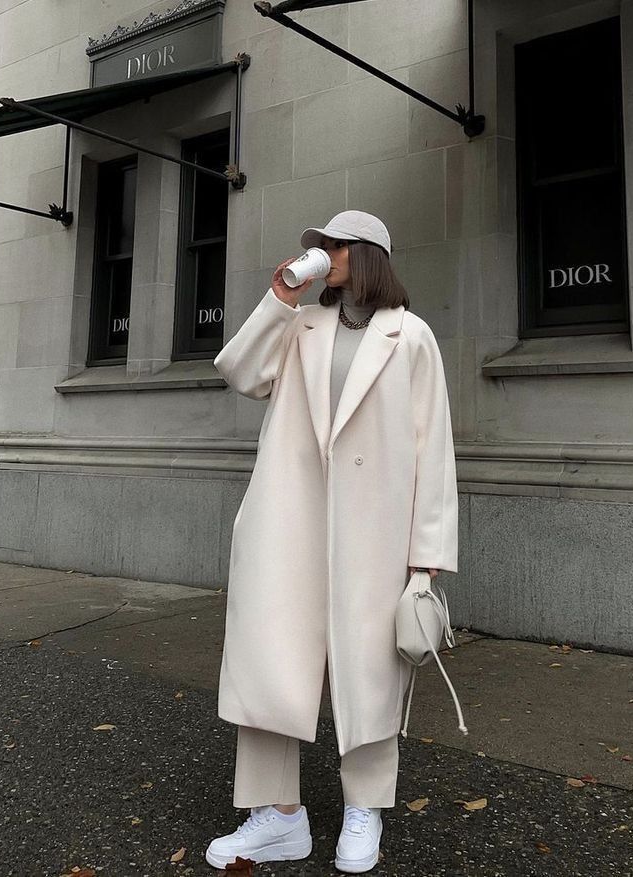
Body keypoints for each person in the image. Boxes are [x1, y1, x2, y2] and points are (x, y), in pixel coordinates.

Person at [205, 210, 458, 873]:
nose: (322, 252)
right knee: (268, 662)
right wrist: (277, 301)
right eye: (319, 244)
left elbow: (434, 452)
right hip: (286, 523)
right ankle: (276, 816)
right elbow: (238, 371)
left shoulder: (412, 337)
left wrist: (425, 560)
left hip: (373, 533)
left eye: (334, 244)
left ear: (367, 254)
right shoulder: (301, 325)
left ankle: (362, 809)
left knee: (369, 671)